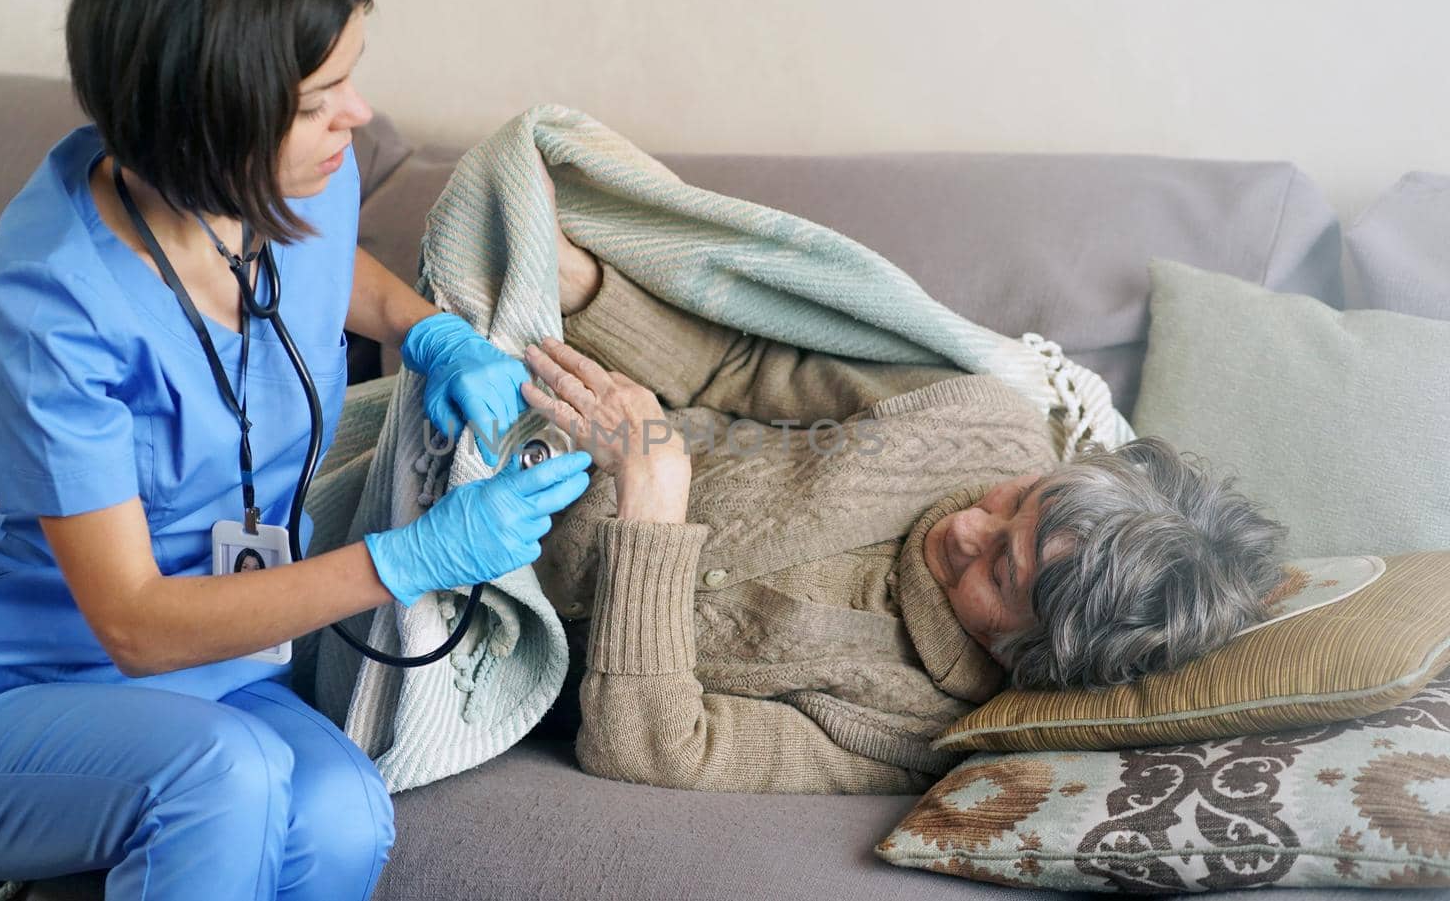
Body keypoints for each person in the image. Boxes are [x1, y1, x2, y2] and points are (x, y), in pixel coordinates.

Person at [0, 0, 592, 898]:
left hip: (217, 680)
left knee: (342, 811)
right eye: (321, 98)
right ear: (213, 116)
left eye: (351, 78)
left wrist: (429, 334)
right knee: (221, 779)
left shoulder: (291, 187)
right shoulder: (49, 303)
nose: (358, 116)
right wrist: (409, 558)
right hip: (16, 699)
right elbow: (131, 624)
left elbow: (334, 271)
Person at [520, 223, 1290, 796]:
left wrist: (654, 498)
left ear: (1033, 655)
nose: (965, 527)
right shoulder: (984, 422)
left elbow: (659, 750)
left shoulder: (911, 728)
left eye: (1001, 568)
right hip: (522, 428)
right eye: (1017, 499)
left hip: (485, 628)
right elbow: (738, 366)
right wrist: (583, 287)